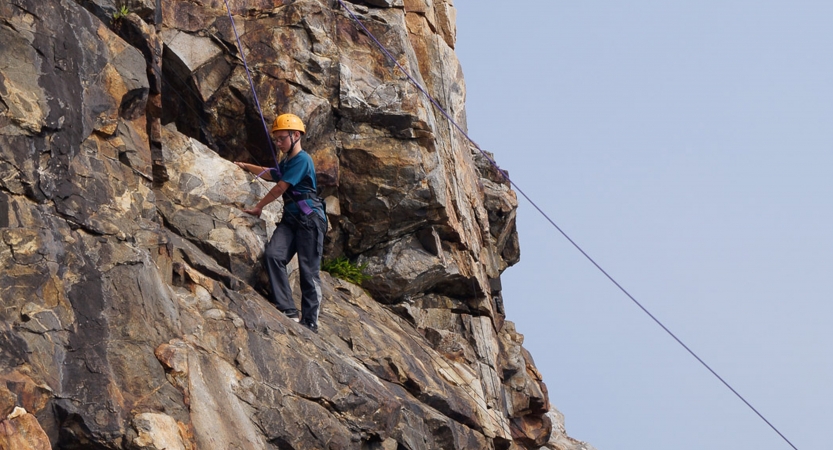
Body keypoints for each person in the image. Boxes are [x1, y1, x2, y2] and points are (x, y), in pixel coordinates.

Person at [235, 114, 326, 333]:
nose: (278, 143)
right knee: (274, 255)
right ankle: (288, 310)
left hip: (309, 220)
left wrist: (259, 207)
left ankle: (310, 321)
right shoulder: (287, 161)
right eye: (276, 139)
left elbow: (279, 187)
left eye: (281, 139)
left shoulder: (303, 159)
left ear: (296, 136)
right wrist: (246, 166)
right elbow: (273, 174)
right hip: (292, 219)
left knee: (308, 270)